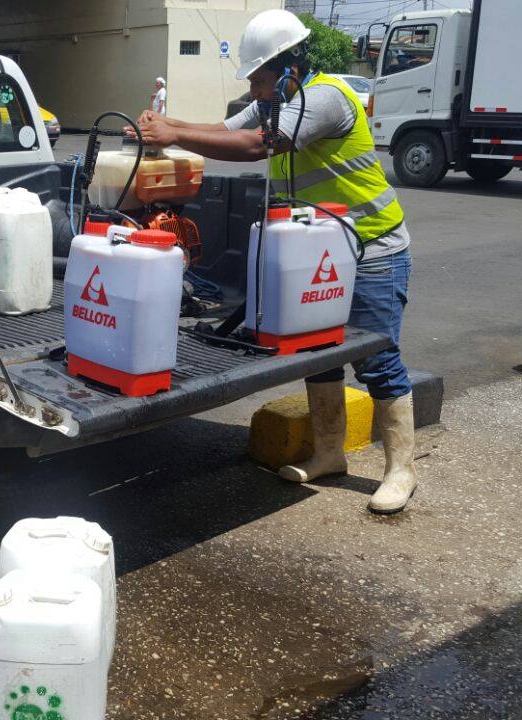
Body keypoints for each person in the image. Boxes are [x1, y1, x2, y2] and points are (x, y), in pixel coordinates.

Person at [135, 9, 419, 514]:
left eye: (262, 80)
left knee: (377, 359)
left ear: (289, 68)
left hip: (373, 248)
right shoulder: (276, 100)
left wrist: (172, 136)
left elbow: (250, 146)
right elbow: (225, 128)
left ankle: (402, 471)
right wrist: (166, 124)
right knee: (318, 353)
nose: (257, 91)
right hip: (322, 252)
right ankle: (330, 453)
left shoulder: (325, 98)